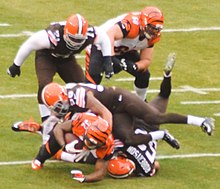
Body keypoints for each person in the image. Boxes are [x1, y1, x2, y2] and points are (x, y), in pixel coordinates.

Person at [7, 13, 113, 122]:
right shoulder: (52, 36)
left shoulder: (90, 34)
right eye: (73, 39)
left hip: (67, 59)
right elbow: (29, 44)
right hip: (47, 56)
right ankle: (46, 119)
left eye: (79, 40)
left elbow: (104, 38)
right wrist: (16, 65)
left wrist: (107, 60)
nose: (76, 43)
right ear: (66, 33)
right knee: (45, 85)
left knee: (82, 87)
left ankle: (79, 117)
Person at [85, 6, 164, 101]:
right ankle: (83, 105)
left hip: (124, 49)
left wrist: (135, 66)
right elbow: (110, 34)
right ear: (143, 23)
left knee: (143, 74)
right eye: (152, 28)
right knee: (93, 80)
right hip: (100, 45)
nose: (154, 32)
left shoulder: (153, 37)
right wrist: (110, 59)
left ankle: (142, 101)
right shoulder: (132, 24)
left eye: (157, 29)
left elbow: (146, 60)